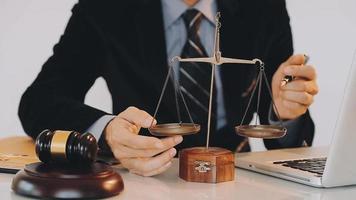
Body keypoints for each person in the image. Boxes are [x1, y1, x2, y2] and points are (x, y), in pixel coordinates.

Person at [19, 0, 318, 176]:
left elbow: (281, 110)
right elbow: (39, 100)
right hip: (145, 179)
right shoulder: (106, 8)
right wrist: (108, 132)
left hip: (235, 179)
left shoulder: (263, 8)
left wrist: (285, 111)